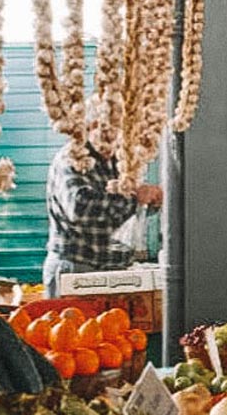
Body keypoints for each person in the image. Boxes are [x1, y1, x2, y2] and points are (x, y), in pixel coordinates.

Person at [44, 126, 163, 298]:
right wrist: (134, 198)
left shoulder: (116, 161)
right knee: (70, 324)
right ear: (91, 127)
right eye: (107, 129)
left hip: (113, 271)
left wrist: (151, 201)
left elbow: (122, 214)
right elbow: (79, 208)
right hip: (77, 269)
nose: (115, 137)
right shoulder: (73, 158)